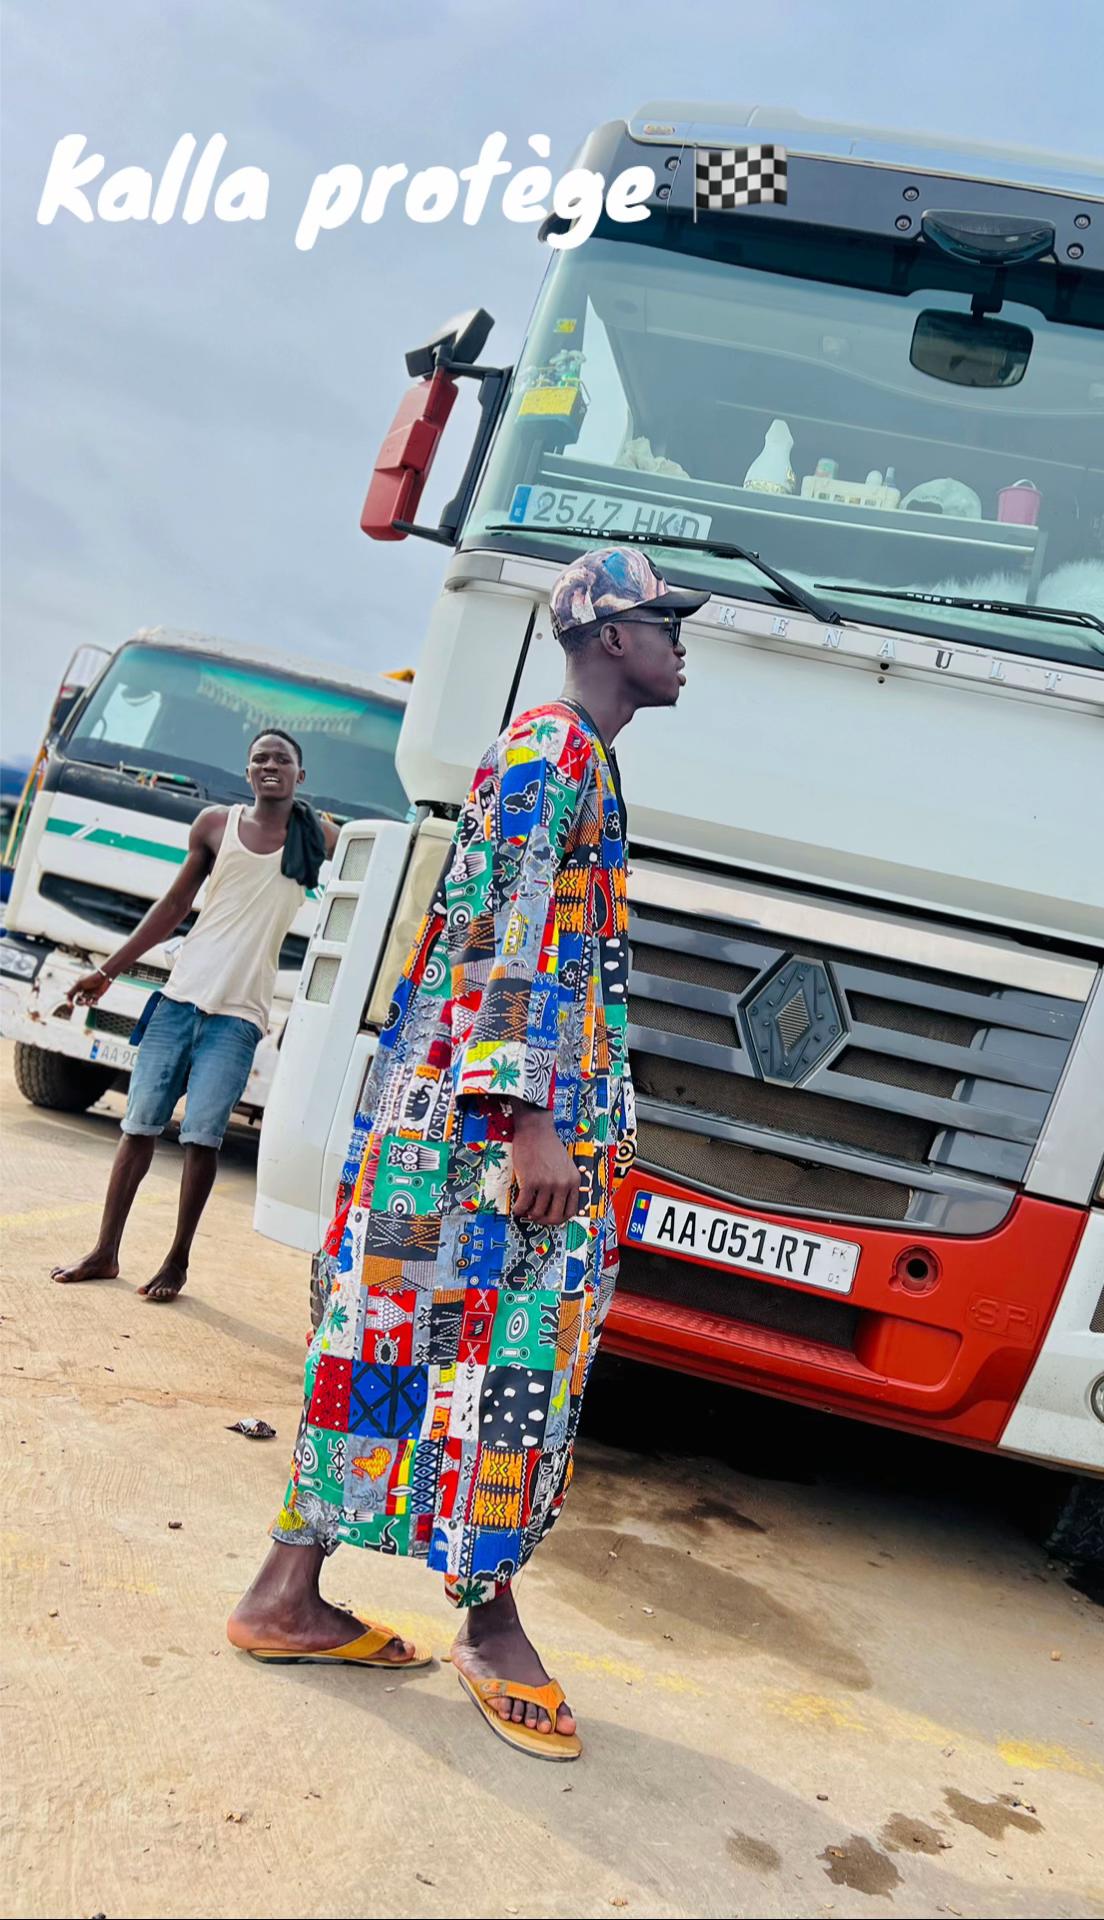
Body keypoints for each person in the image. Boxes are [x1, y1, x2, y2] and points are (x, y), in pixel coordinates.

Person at [227, 546, 705, 1762]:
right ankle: (488, 1625)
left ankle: (289, 1592)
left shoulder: (568, 753)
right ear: (610, 637)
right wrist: (528, 1116)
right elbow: (504, 927)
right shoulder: (553, 752)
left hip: (456, 1125)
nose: (681, 644)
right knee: (508, 1358)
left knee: (395, 1347)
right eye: (665, 623)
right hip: (487, 1137)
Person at [51, 730, 335, 1302]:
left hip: (239, 1016)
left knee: (202, 1139)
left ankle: (177, 1260)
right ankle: (105, 1251)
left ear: (300, 775)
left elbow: (382, 859)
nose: (270, 765)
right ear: (247, 771)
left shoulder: (318, 835)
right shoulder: (214, 825)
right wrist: (107, 971)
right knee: (137, 1128)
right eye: (259, 758)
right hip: (179, 1001)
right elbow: (174, 906)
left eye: (282, 759)